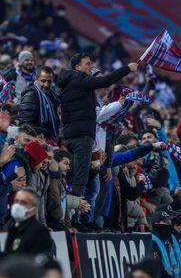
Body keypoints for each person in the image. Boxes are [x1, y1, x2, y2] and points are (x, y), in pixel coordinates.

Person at [57, 52, 138, 197]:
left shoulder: (69, 83)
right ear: (77, 67)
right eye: (87, 64)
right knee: (80, 179)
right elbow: (105, 81)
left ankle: (72, 212)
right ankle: (75, 213)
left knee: (76, 175)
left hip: (72, 134)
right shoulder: (78, 78)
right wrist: (127, 69)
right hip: (82, 136)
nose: (90, 67)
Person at [5, 187, 51, 256]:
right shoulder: (13, 231)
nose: (18, 205)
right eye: (16, 201)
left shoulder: (40, 232)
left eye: (23, 202)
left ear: (34, 209)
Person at [19, 66, 60, 139]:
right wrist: (45, 132)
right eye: (43, 81)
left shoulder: (53, 96)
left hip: (50, 138)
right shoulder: (30, 96)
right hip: (37, 140)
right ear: (36, 80)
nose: (46, 85)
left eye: (49, 81)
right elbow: (25, 125)